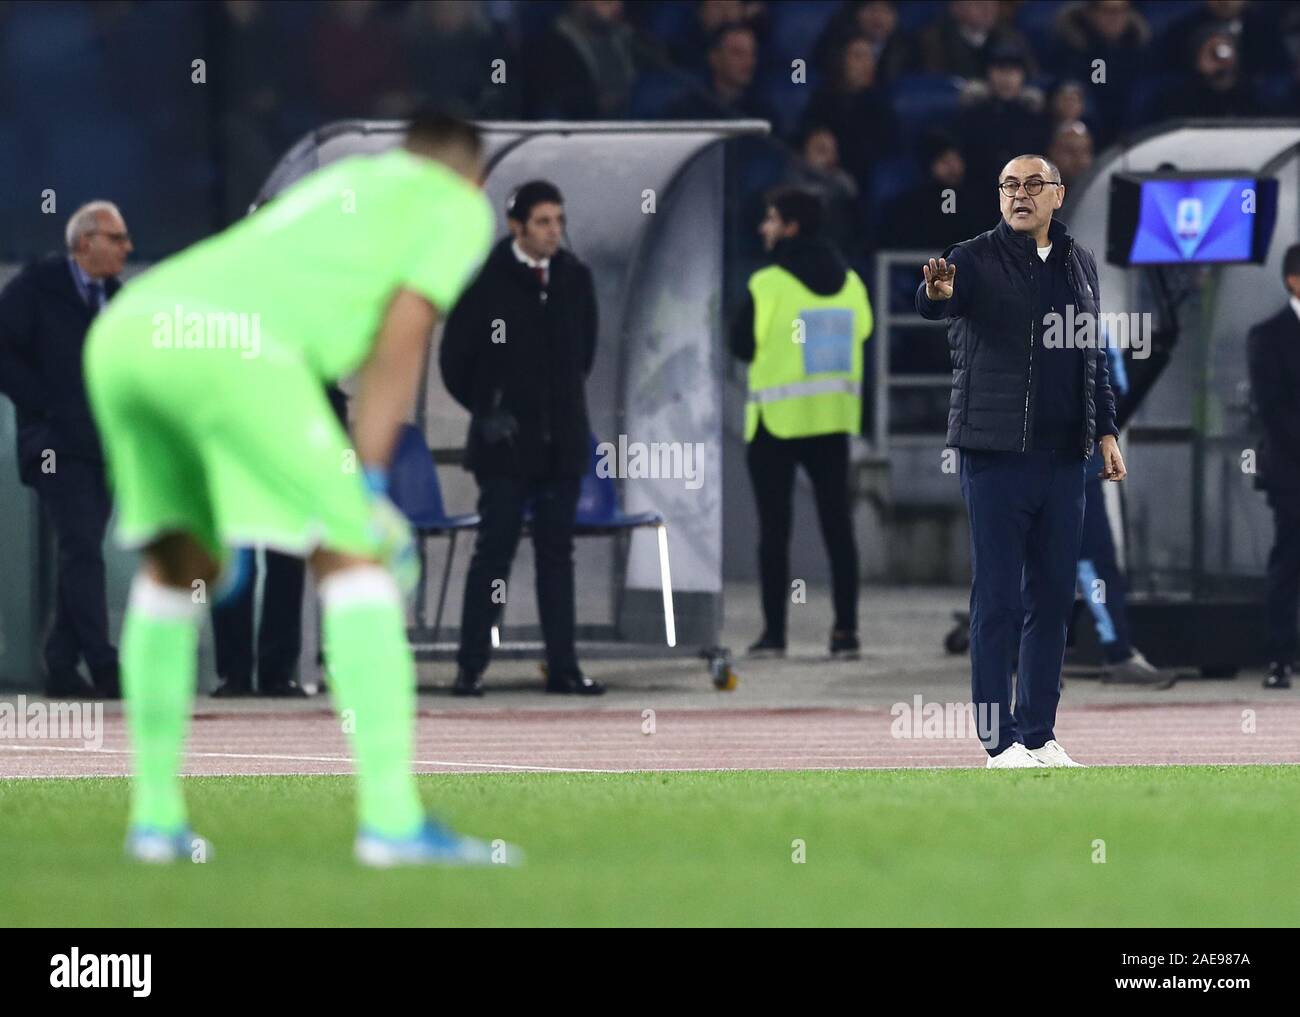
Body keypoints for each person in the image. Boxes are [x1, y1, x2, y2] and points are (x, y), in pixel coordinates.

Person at [84, 110, 514, 866]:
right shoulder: (455, 205)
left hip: (130, 331)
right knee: (356, 555)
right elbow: (403, 331)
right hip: (239, 350)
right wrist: (370, 482)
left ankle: (154, 823)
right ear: (470, 175)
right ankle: (392, 824)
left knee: (176, 569)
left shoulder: (344, 185)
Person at [916, 154, 1125, 768]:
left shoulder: (1080, 264)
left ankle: (1039, 734)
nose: (1020, 195)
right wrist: (935, 293)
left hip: (1065, 459)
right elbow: (939, 300)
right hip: (997, 456)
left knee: (1054, 599)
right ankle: (996, 740)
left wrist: (1107, 433)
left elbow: (1093, 361)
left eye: (1033, 185)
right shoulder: (974, 258)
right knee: (998, 601)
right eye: (1009, 185)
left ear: (1057, 195)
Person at [440, 180, 603, 697]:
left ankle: (563, 667)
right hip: (505, 448)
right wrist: (487, 408)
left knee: (558, 556)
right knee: (495, 553)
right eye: (543, 222)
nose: (554, 231)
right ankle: (471, 667)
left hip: (562, 446)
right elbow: (454, 360)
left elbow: (584, 354)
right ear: (517, 226)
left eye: (558, 220)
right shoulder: (487, 283)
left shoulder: (576, 279)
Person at [731, 188, 873, 660]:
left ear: (790, 227)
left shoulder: (767, 283)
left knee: (775, 532)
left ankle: (774, 636)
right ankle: (846, 632)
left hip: (776, 424)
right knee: (839, 529)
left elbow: (741, 345)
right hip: (832, 423)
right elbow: (865, 332)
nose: (763, 228)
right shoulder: (852, 282)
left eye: (770, 219)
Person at [0, 201, 133, 700]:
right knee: (81, 548)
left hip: (103, 449)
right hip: (56, 445)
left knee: (82, 551)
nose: (127, 248)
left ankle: (60, 662)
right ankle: (102, 663)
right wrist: (44, 407)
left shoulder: (117, 299)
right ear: (85, 242)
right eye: (117, 239)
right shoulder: (37, 287)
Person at [1245, 243, 1300, 690]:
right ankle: (1280, 656)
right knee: (1289, 558)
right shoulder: (1268, 336)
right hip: (1292, 470)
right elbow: (1273, 412)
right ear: (1293, 281)